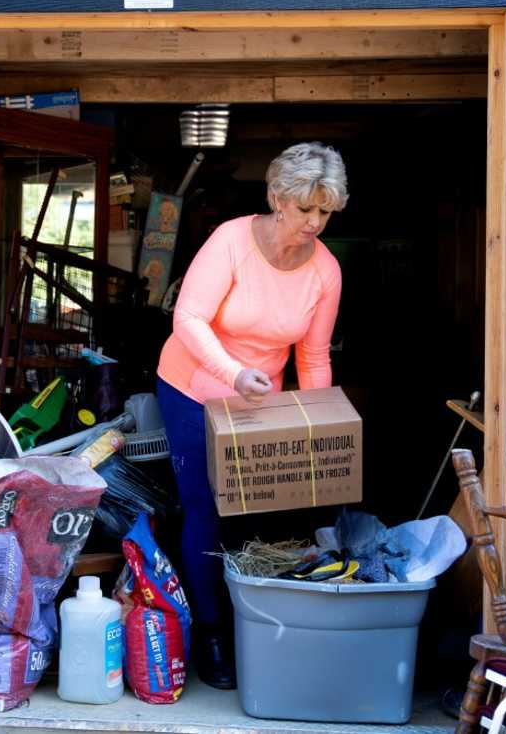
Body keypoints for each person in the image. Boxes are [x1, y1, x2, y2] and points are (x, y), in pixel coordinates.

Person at [156, 142, 348, 689]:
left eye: (325, 211)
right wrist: (234, 372)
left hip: (261, 402)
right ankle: (211, 634)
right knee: (206, 509)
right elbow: (188, 318)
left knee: (257, 516)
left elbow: (313, 355)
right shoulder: (232, 242)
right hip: (193, 386)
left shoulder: (325, 271)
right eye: (306, 209)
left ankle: (253, 629)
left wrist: (319, 425)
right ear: (277, 198)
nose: (315, 222)